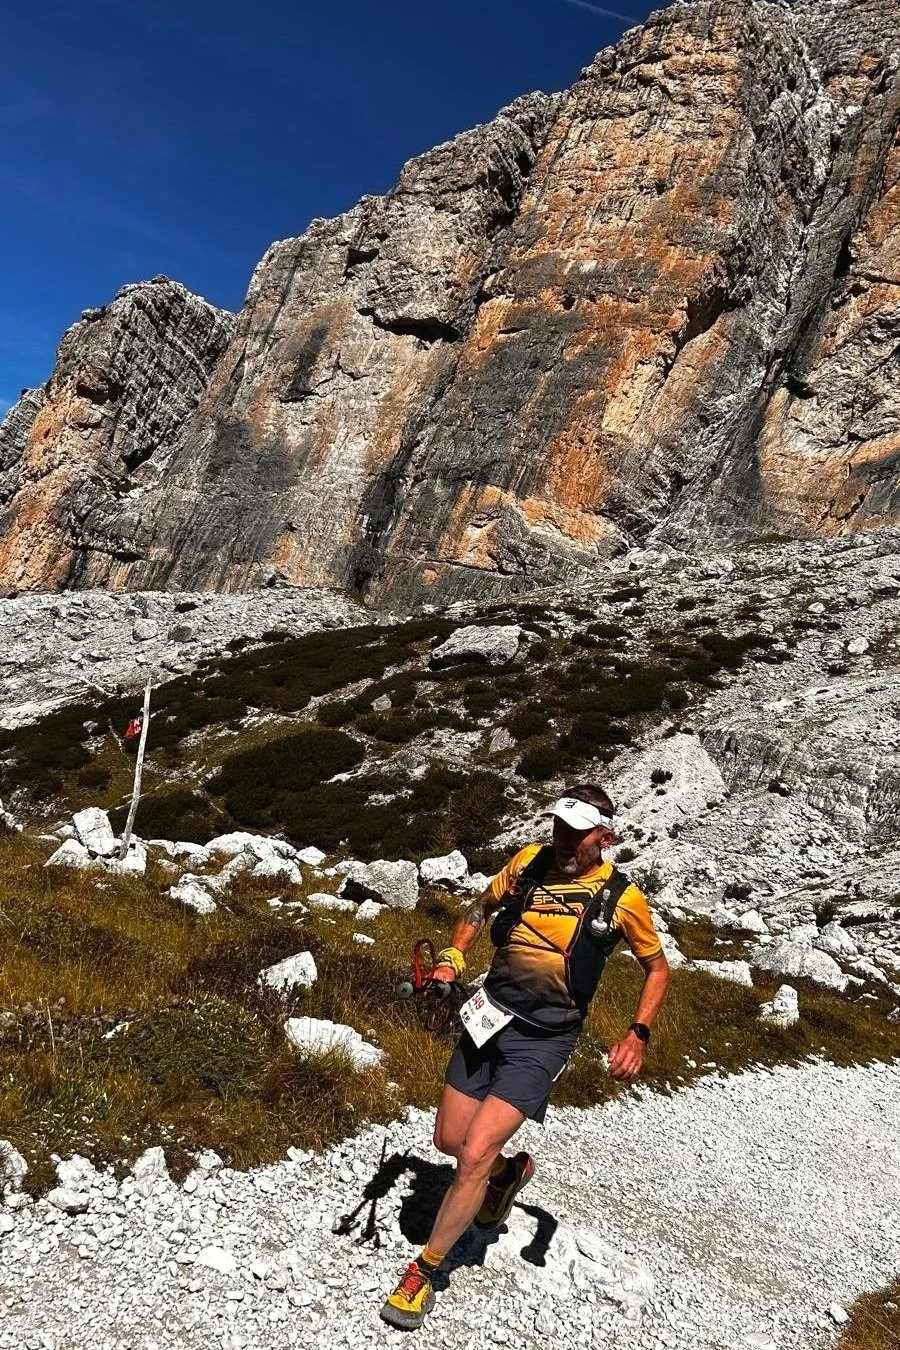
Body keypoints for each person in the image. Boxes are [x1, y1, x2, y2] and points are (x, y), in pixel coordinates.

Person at [380, 783, 670, 1330]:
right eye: (559, 827)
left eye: (577, 834)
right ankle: (508, 1175)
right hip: (489, 1017)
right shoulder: (528, 864)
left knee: (472, 1153)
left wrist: (638, 1033)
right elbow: (478, 907)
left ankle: (424, 1273)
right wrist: (451, 958)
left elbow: (658, 969)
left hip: (544, 1040)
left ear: (605, 837)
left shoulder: (621, 899)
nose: (563, 840)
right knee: (448, 1141)